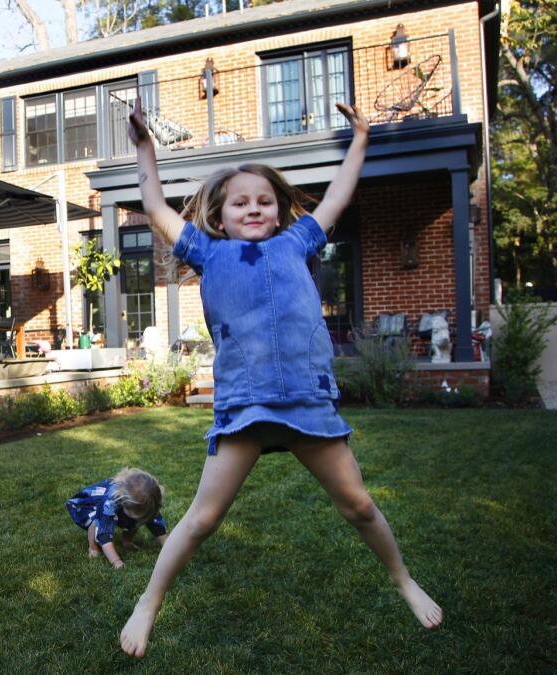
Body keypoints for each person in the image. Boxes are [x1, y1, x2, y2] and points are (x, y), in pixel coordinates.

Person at [118, 97, 443, 658]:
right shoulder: (208, 251)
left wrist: (360, 139)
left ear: (279, 211)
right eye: (240, 201)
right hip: (245, 409)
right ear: (219, 216)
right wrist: (146, 148)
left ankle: (404, 581)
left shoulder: (299, 241)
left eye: (264, 201)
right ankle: (147, 602)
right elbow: (153, 207)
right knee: (201, 521)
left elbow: (339, 194)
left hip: (307, 406)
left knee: (360, 506)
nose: (253, 208)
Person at [65, 468, 169, 569]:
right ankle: (93, 548)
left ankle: (127, 541)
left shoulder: (148, 503)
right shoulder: (109, 503)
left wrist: (169, 547)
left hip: (121, 506)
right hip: (87, 506)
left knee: (134, 520)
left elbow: (157, 526)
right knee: (96, 523)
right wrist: (116, 561)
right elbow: (104, 535)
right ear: (124, 502)